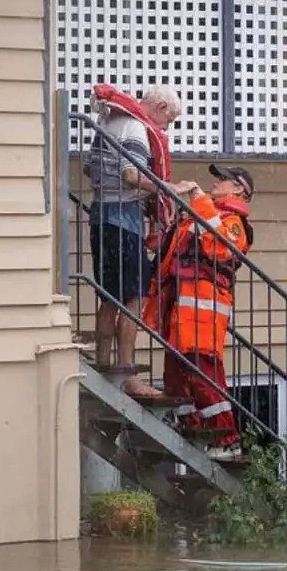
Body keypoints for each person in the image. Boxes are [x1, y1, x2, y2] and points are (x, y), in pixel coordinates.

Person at [84, 83, 197, 398]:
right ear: (160, 108)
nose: (165, 128)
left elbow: (89, 168)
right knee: (132, 299)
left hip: (101, 216)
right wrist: (169, 189)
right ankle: (125, 373)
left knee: (109, 297)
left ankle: (104, 365)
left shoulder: (110, 121)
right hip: (123, 221)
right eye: (169, 122)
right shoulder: (135, 128)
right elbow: (130, 175)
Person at [142, 164, 255, 462]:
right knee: (176, 377)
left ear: (239, 190)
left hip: (203, 314)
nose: (215, 182)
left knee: (205, 377)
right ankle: (190, 429)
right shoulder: (200, 215)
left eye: (223, 179)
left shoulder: (232, 222)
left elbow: (221, 248)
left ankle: (227, 440)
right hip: (181, 311)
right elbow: (164, 248)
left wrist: (196, 196)